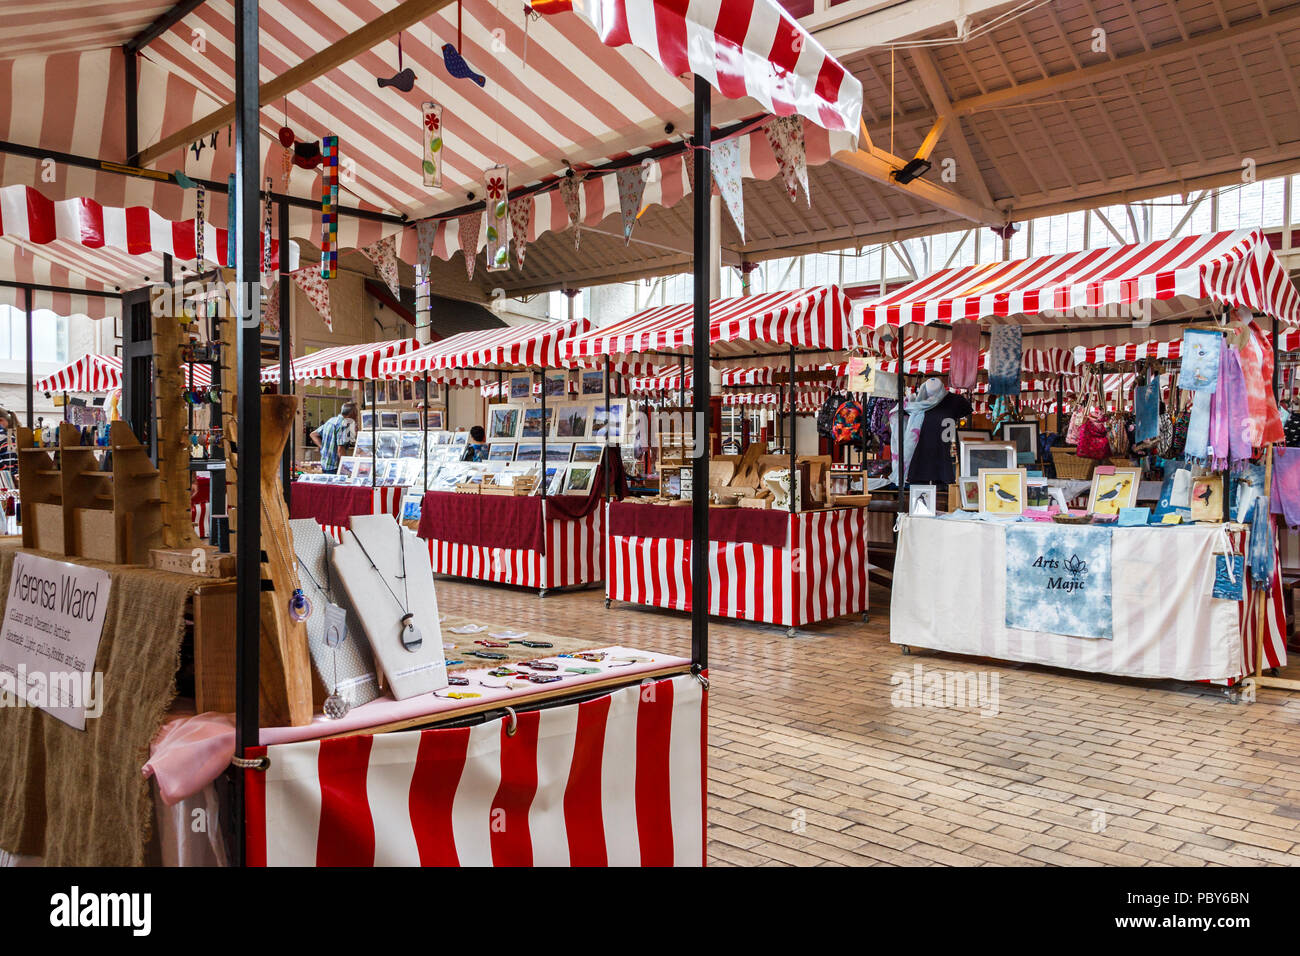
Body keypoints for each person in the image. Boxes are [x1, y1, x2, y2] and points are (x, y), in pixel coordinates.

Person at [310, 401, 359, 473]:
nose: (356, 417)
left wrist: (323, 447)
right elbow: (340, 450)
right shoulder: (344, 424)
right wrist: (348, 468)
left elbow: (313, 434)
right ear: (352, 414)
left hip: (325, 464)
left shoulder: (331, 421)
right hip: (335, 466)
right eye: (356, 414)